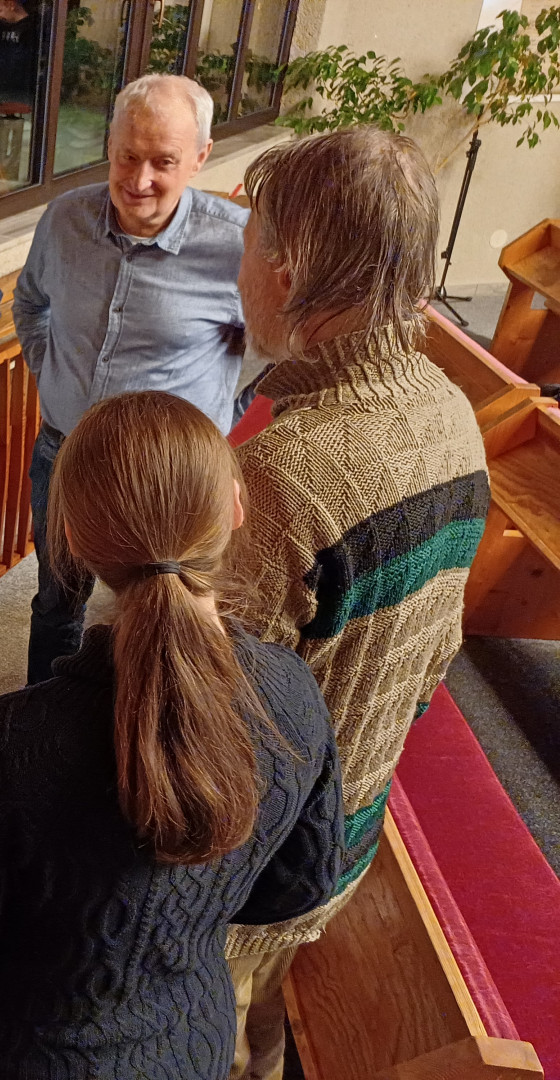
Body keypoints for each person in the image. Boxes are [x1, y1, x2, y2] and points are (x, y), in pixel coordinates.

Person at [0, 390, 343, 1080]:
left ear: (71, 537)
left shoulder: (12, 738)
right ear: (234, 508)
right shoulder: (293, 694)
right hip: (189, 1042)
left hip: (21, 1053)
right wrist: (182, 914)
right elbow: (300, 885)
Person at [225, 128, 490, 1080]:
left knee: (207, 1034)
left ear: (287, 270)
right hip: (350, 829)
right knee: (261, 1030)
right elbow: (433, 661)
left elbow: (208, 729)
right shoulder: (452, 413)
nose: (238, 271)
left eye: (248, 243)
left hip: (251, 870)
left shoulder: (283, 475)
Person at [13, 72, 247, 685]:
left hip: (168, 475)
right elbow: (30, 303)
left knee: (163, 611)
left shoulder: (236, 245)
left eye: (163, 161)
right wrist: (49, 370)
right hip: (64, 452)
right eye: (127, 156)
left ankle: (146, 725)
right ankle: (44, 717)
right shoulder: (64, 219)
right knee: (56, 602)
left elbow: (272, 349)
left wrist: (223, 411)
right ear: (109, 144)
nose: (139, 180)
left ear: (200, 157)